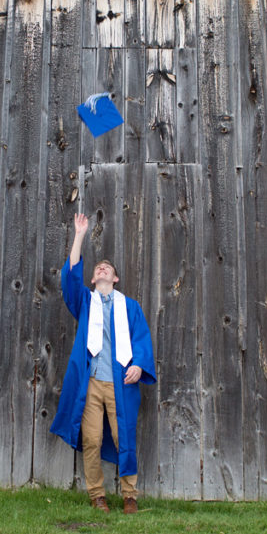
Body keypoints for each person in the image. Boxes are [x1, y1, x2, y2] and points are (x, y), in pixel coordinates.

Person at [49, 212, 156, 514]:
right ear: (94, 279)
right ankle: (97, 495)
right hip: (91, 382)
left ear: (115, 278)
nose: (102, 268)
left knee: (125, 436)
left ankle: (129, 495)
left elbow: (142, 341)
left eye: (107, 267)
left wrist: (139, 365)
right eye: (98, 268)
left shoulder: (129, 307)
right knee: (92, 439)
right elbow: (70, 277)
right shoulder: (85, 301)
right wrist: (79, 235)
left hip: (122, 382)